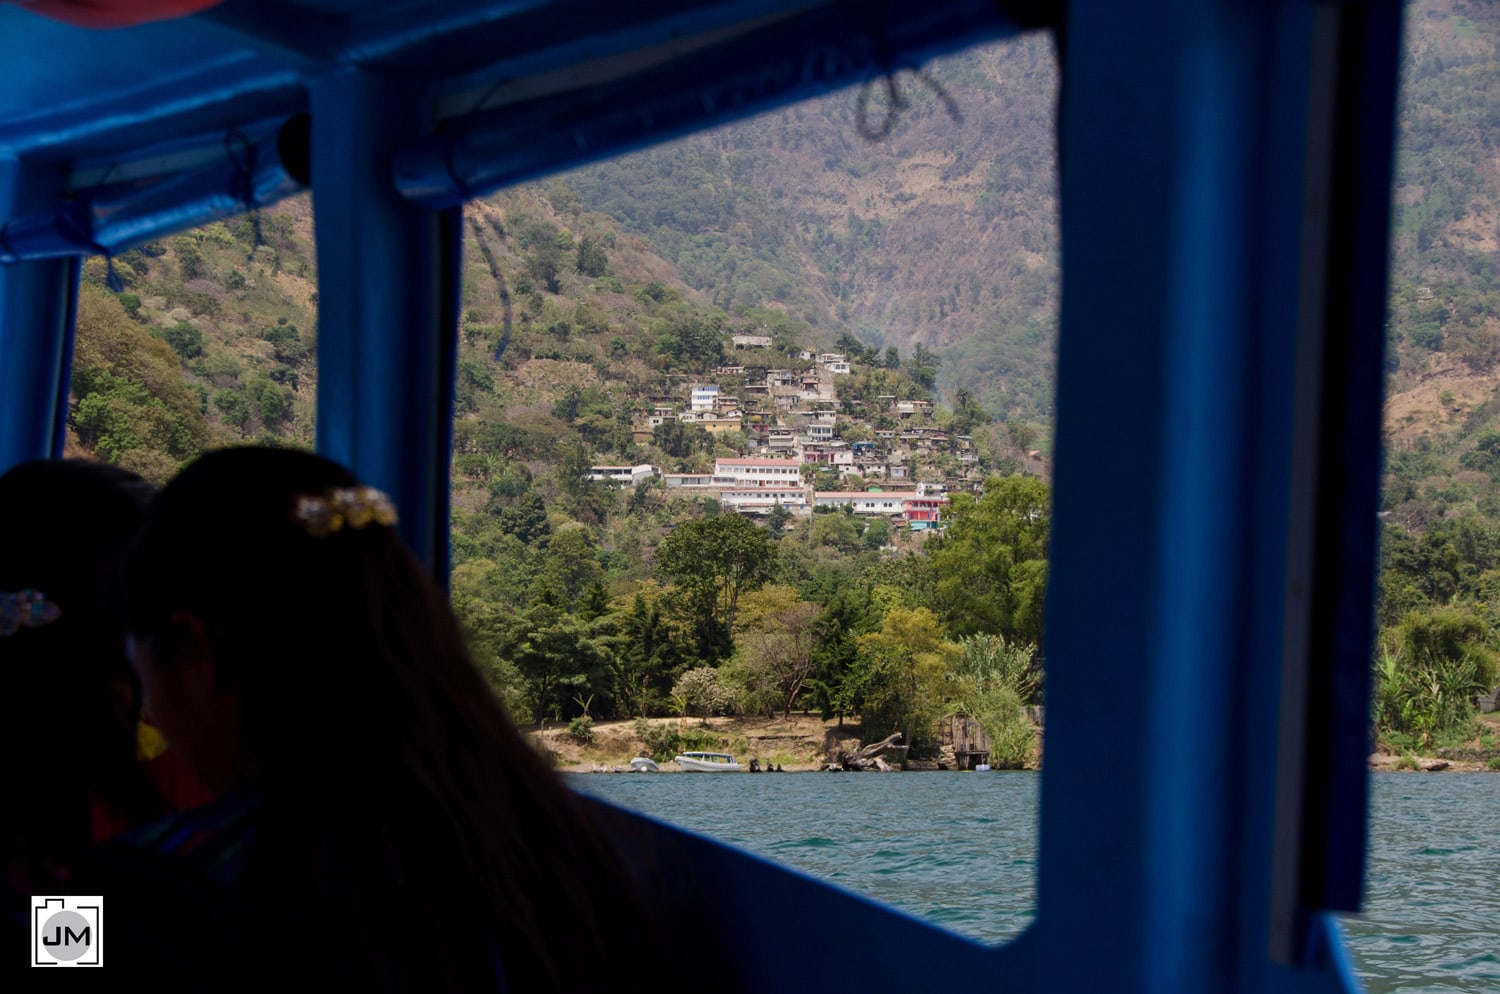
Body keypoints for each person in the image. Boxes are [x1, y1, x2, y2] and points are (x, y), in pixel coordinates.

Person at [107, 446, 670, 992]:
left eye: (141, 676)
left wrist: (49, 885)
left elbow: (49, 973)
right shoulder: (552, 852)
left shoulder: (135, 889)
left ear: (193, 651)